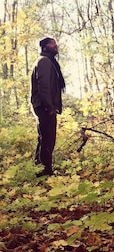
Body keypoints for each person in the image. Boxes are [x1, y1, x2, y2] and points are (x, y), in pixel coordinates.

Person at [30, 37, 66, 177]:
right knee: (48, 139)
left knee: (44, 138)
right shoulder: (44, 61)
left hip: (44, 106)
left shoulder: (49, 62)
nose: (55, 45)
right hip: (44, 106)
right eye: (52, 43)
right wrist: (49, 107)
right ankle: (45, 172)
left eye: (55, 43)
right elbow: (43, 86)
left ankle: (40, 169)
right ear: (45, 47)